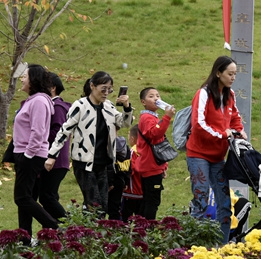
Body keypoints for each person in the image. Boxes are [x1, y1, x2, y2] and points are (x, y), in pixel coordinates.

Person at [49, 71, 134, 214]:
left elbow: (125, 123)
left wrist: (126, 107)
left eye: (110, 89)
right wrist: (52, 155)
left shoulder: (109, 106)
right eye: (103, 89)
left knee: (102, 207)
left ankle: (88, 233)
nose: (106, 93)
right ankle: (90, 234)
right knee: (95, 205)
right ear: (92, 86)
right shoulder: (80, 106)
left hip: (104, 164)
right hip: (84, 163)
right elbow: (64, 131)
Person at [186, 56, 246, 243]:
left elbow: (235, 117)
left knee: (225, 204)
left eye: (235, 74)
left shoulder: (230, 94)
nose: (233, 77)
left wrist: (240, 130)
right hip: (198, 155)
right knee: (201, 198)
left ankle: (222, 245)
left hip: (218, 157)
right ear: (218, 73)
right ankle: (194, 245)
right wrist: (223, 134)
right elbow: (198, 124)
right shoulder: (203, 93)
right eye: (230, 74)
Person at [12, 64, 57, 239]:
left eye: (25, 76)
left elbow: (38, 132)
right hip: (25, 154)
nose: (22, 79)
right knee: (25, 198)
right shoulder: (33, 100)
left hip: (30, 155)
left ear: (34, 80)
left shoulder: (39, 101)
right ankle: (24, 240)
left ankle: (54, 227)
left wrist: (27, 155)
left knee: (22, 198)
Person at [135, 87, 175, 220]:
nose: (156, 99)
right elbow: (154, 134)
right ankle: (148, 229)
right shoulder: (147, 118)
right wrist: (167, 117)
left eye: (158, 96)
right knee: (152, 201)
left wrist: (163, 167)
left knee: (147, 199)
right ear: (143, 102)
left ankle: (138, 228)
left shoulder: (151, 117)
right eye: (151, 96)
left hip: (153, 166)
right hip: (150, 166)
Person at [36, 72, 70, 221]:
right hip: (53, 159)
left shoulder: (58, 107)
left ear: (53, 88)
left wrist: (41, 137)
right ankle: (51, 233)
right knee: (50, 197)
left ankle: (71, 226)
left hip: (56, 160)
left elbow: (58, 132)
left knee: (47, 197)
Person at [121, 127, 143, 220]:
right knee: (141, 220)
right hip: (143, 193)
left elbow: (131, 169)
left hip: (131, 193)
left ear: (132, 139)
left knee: (125, 219)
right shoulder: (146, 150)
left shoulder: (132, 152)